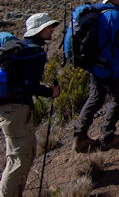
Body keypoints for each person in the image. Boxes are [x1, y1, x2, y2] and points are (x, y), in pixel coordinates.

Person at [0, 14, 60, 197]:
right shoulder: (34, 52)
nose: (51, 30)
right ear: (39, 30)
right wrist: (51, 92)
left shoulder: (20, 49)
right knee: (20, 157)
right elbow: (29, 85)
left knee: (19, 154)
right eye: (48, 27)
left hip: (9, 109)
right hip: (17, 111)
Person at [73, 0, 119, 153]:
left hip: (95, 65)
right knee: (118, 100)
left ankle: (80, 136)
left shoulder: (96, 13)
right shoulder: (113, 16)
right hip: (111, 66)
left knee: (95, 98)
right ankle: (108, 136)